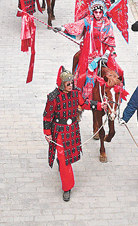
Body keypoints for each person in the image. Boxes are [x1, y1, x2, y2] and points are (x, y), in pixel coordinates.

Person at [43, 66, 106, 202]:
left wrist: (100, 105)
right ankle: (67, 187)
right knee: (64, 158)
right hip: (59, 131)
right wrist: (47, 133)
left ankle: (63, 168)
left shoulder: (76, 93)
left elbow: (85, 104)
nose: (71, 85)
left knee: (68, 157)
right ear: (61, 84)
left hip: (72, 130)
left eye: (72, 83)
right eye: (68, 83)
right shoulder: (53, 97)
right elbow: (47, 117)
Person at [54, 0, 119, 98]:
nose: (98, 14)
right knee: (82, 76)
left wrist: (106, 55)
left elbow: (110, 41)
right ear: (92, 12)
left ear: (103, 12)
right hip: (89, 53)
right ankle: (79, 97)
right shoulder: (88, 20)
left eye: (100, 12)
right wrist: (62, 28)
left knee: (118, 72)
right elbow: (76, 26)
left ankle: (117, 96)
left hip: (104, 54)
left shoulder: (107, 23)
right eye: (96, 12)